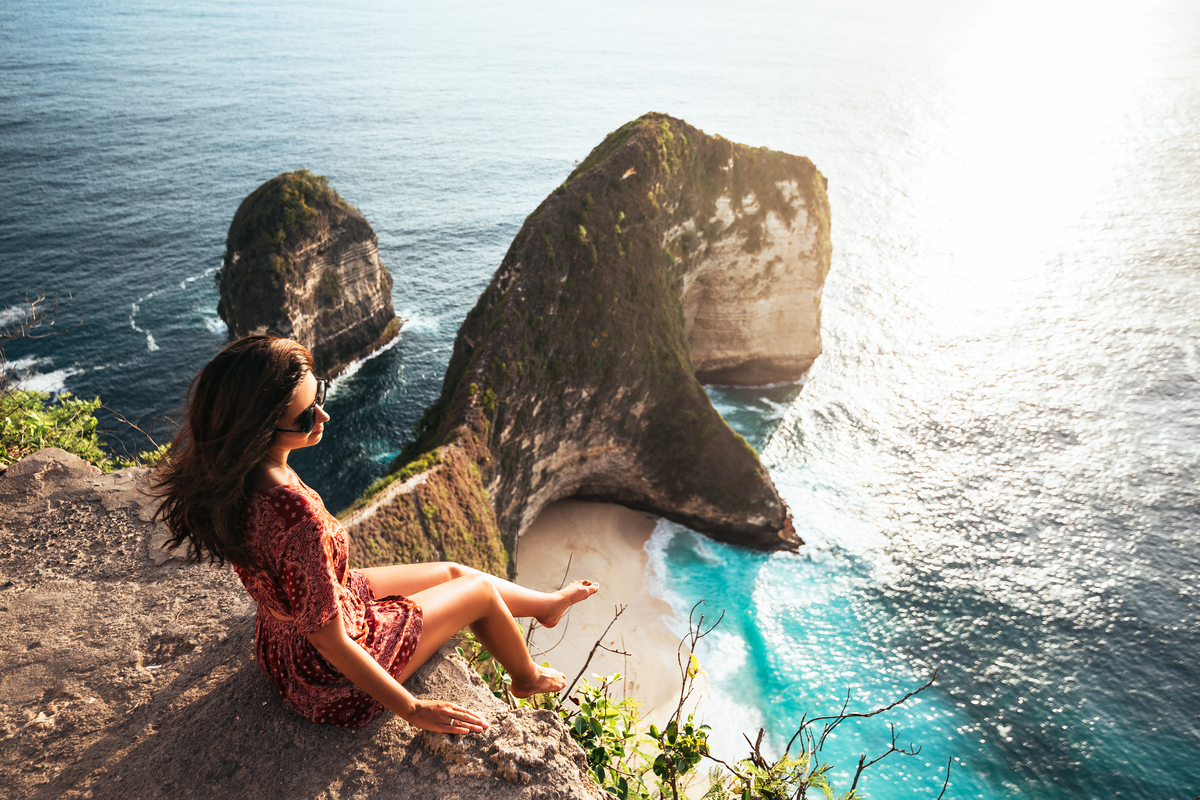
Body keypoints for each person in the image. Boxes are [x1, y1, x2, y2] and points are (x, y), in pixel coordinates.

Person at [153, 334, 598, 733]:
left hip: (284, 644)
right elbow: (330, 641)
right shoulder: (295, 513)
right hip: (327, 678)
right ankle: (526, 677)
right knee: (477, 589)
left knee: (451, 571)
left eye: (319, 396)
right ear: (259, 430)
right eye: (307, 416)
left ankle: (544, 606)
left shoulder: (231, 476)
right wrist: (412, 709)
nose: (324, 415)